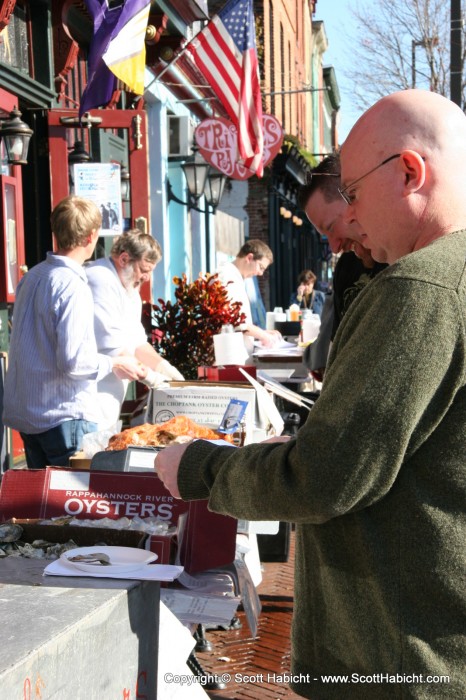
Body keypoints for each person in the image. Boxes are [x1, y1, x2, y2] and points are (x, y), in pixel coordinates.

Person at [156, 90, 466, 699]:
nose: (349, 217)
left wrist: (199, 468)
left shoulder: (422, 286)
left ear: (409, 172)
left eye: (352, 192)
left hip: (401, 656)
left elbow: (326, 476)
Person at [2, 196, 144, 469]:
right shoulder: (72, 284)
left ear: (56, 232)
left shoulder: (32, 276)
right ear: (91, 236)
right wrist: (114, 363)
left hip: (31, 414)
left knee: (43, 508)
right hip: (63, 415)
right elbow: (74, 362)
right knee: (71, 507)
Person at [298, 154, 387, 380]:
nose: (335, 247)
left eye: (331, 227)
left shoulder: (406, 259)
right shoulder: (348, 266)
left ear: (355, 201)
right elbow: (336, 352)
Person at [85, 229, 184, 430]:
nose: (147, 278)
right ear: (124, 259)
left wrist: (164, 368)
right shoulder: (100, 279)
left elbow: (137, 342)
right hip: (88, 400)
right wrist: (152, 378)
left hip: (108, 403)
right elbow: (113, 348)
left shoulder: (130, 291)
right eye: (143, 269)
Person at [217, 239, 281, 348]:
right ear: (249, 258)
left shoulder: (235, 277)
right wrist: (263, 335)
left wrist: (262, 333)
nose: (260, 273)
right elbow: (237, 322)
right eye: (261, 267)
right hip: (229, 355)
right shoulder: (227, 277)